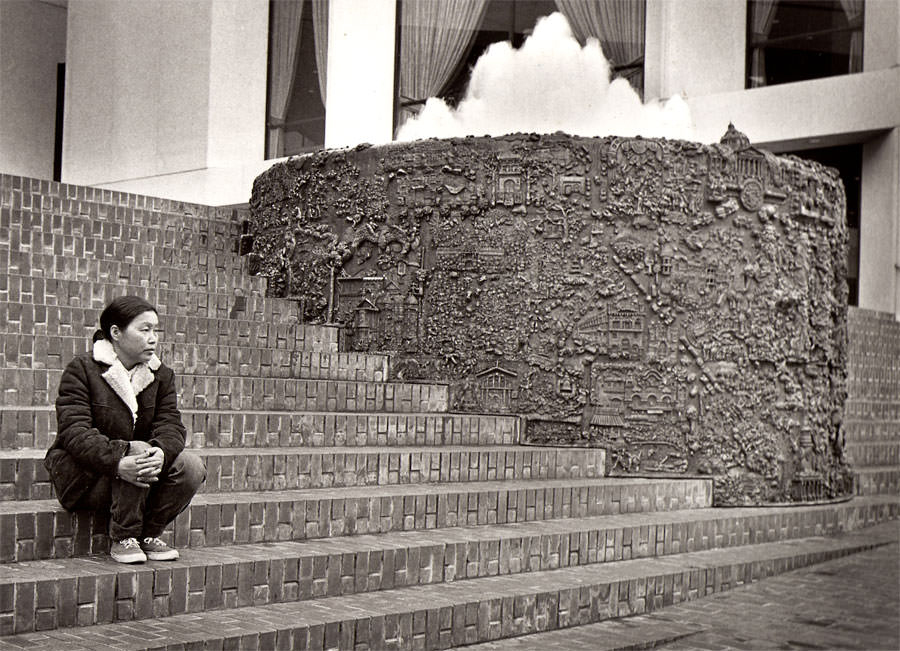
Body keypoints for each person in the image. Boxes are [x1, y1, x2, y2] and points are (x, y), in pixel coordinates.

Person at [44, 295, 206, 563]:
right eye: (144, 330)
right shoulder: (82, 369)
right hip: (88, 477)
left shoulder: (161, 375)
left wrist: (161, 452)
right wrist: (120, 460)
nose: (153, 338)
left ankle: (149, 534)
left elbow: (171, 425)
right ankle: (123, 536)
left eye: (155, 330)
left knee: (191, 466)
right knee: (139, 448)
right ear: (116, 333)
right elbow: (75, 433)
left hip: (140, 475)